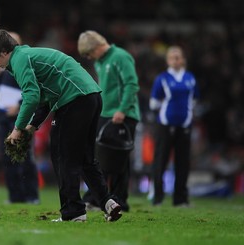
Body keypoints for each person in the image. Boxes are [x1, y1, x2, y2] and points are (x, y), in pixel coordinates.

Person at [0, 29, 122, 222]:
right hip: (91, 97)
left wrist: (17, 128)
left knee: (62, 156)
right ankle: (108, 202)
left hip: (74, 101)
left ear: (5, 52)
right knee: (85, 158)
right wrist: (32, 125)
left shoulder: (19, 58)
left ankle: (73, 212)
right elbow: (43, 98)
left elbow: (31, 97)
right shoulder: (29, 55)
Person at [77, 31, 141, 212]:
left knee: (118, 159)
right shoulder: (100, 61)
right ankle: (102, 198)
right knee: (101, 158)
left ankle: (113, 199)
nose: (89, 57)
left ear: (95, 47)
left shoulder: (121, 56)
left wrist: (123, 109)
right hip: (106, 114)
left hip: (123, 114)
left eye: (89, 53)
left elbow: (131, 84)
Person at [0, 32, 40, 204]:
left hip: (21, 117)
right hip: (3, 118)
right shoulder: (3, 69)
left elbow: (34, 89)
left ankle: (31, 196)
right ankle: (15, 196)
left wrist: (18, 105)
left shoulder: (23, 62)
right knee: (7, 158)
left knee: (25, 157)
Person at [149, 46, 200, 207]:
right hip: (165, 124)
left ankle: (180, 199)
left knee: (183, 162)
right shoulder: (162, 78)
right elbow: (154, 103)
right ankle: (157, 196)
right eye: (173, 57)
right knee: (160, 160)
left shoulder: (190, 78)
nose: (176, 60)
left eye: (178, 57)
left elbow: (194, 99)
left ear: (183, 59)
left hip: (184, 124)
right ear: (168, 61)